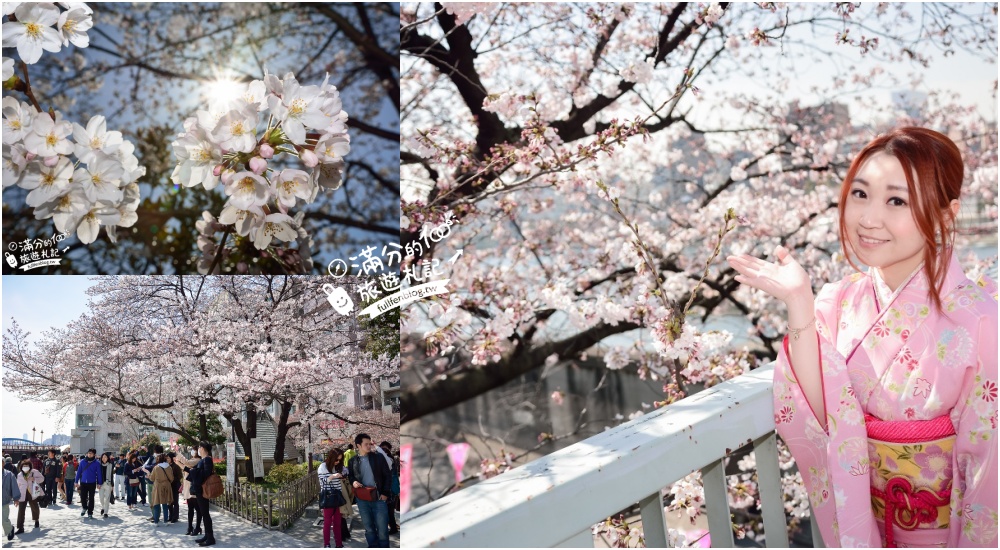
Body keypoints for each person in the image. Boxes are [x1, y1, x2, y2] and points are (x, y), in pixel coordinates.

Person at [727, 127, 998, 548]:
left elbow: (989, 476)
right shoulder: (837, 302)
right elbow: (821, 412)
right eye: (860, 194)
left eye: (896, 200)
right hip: (863, 522)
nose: (869, 219)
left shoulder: (980, 320)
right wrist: (799, 301)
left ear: (946, 215)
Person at [347, 433, 392, 548]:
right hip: (362, 499)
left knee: (382, 528)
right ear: (358, 445)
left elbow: (387, 475)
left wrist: (385, 493)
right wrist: (353, 482)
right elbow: (351, 476)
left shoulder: (378, 457)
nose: (369, 446)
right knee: (368, 528)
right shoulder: (352, 461)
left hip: (379, 497)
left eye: (369, 444)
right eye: (366, 444)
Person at [183, 441, 215, 546]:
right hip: (199, 490)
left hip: (203, 490)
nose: (198, 449)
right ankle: (207, 535)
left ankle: (210, 538)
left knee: (205, 514)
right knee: (204, 513)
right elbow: (194, 470)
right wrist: (183, 467)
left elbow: (205, 473)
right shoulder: (203, 460)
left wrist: (193, 471)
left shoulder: (207, 459)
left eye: (199, 447)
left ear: (202, 448)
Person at [318, 448, 346, 548]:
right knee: (327, 522)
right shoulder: (323, 466)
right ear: (331, 457)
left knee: (338, 522)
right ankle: (327, 544)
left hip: (338, 496)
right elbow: (323, 481)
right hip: (328, 496)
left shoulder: (338, 467)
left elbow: (346, 473)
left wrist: (343, 475)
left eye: (340, 460)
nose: (338, 462)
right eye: (336, 459)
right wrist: (333, 476)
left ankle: (339, 544)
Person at [174, 450, 202, 537]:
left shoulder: (197, 460)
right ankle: (190, 527)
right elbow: (185, 467)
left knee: (197, 509)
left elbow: (186, 463)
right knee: (190, 509)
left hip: (193, 487)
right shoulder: (192, 460)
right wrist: (177, 462)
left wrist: (179, 455)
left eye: (194, 450)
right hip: (188, 487)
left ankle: (197, 527)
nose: (192, 451)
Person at [14, 459, 42, 533]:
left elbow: (42, 479)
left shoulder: (34, 472)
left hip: (32, 492)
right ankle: (20, 527)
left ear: (30, 466)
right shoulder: (19, 475)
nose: (25, 467)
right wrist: (16, 496)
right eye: (24, 466)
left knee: (34, 507)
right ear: (21, 467)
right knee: (21, 510)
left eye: (27, 466)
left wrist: (34, 479)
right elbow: (18, 485)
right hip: (22, 493)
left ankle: (36, 520)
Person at [74, 448, 103, 518]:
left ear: (94, 455)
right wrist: (76, 481)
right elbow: (79, 472)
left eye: (91, 453)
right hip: (83, 482)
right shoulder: (82, 462)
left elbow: (99, 474)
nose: (89, 454)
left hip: (92, 483)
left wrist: (99, 483)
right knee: (83, 496)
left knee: (91, 498)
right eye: (89, 453)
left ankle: (90, 512)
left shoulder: (97, 463)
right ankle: (84, 507)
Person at [379, 442, 399, 535]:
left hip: (389, 489)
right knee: (389, 510)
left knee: (388, 510)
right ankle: (393, 526)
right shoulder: (392, 459)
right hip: (391, 488)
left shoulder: (389, 460)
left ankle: (393, 527)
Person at [148, 453, 174, 525]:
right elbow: (172, 478)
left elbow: (152, 478)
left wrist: (148, 475)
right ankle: (165, 521)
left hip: (158, 487)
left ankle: (156, 521)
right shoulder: (169, 467)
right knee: (165, 505)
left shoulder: (156, 467)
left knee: (156, 504)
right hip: (167, 486)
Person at [3, 465, 21, 541]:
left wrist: (16, 498)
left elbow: (14, 486)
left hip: (4, 500)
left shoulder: (9, 474)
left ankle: (10, 529)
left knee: (3, 519)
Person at [167, 453, 183, 524]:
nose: (167, 459)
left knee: (175, 502)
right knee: (169, 502)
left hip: (175, 485)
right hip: (169, 486)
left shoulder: (176, 466)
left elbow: (180, 476)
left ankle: (175, 517)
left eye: (168, 458)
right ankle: (170, 516)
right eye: (167, 458)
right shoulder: (166, 466)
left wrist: (172, 479)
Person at [98, 453, 115, 518]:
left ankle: (105, 512)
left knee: (107, 498)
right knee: (101, 498)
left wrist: (112, 485)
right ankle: (103, 507)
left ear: (107, 458)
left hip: (108, 483)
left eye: (105, 457)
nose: (104, 458)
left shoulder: (111, 465)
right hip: (101, 484)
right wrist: (97, 483)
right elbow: (97, 475)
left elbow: (111, 475)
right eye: (103, 457)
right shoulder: (99, 465)